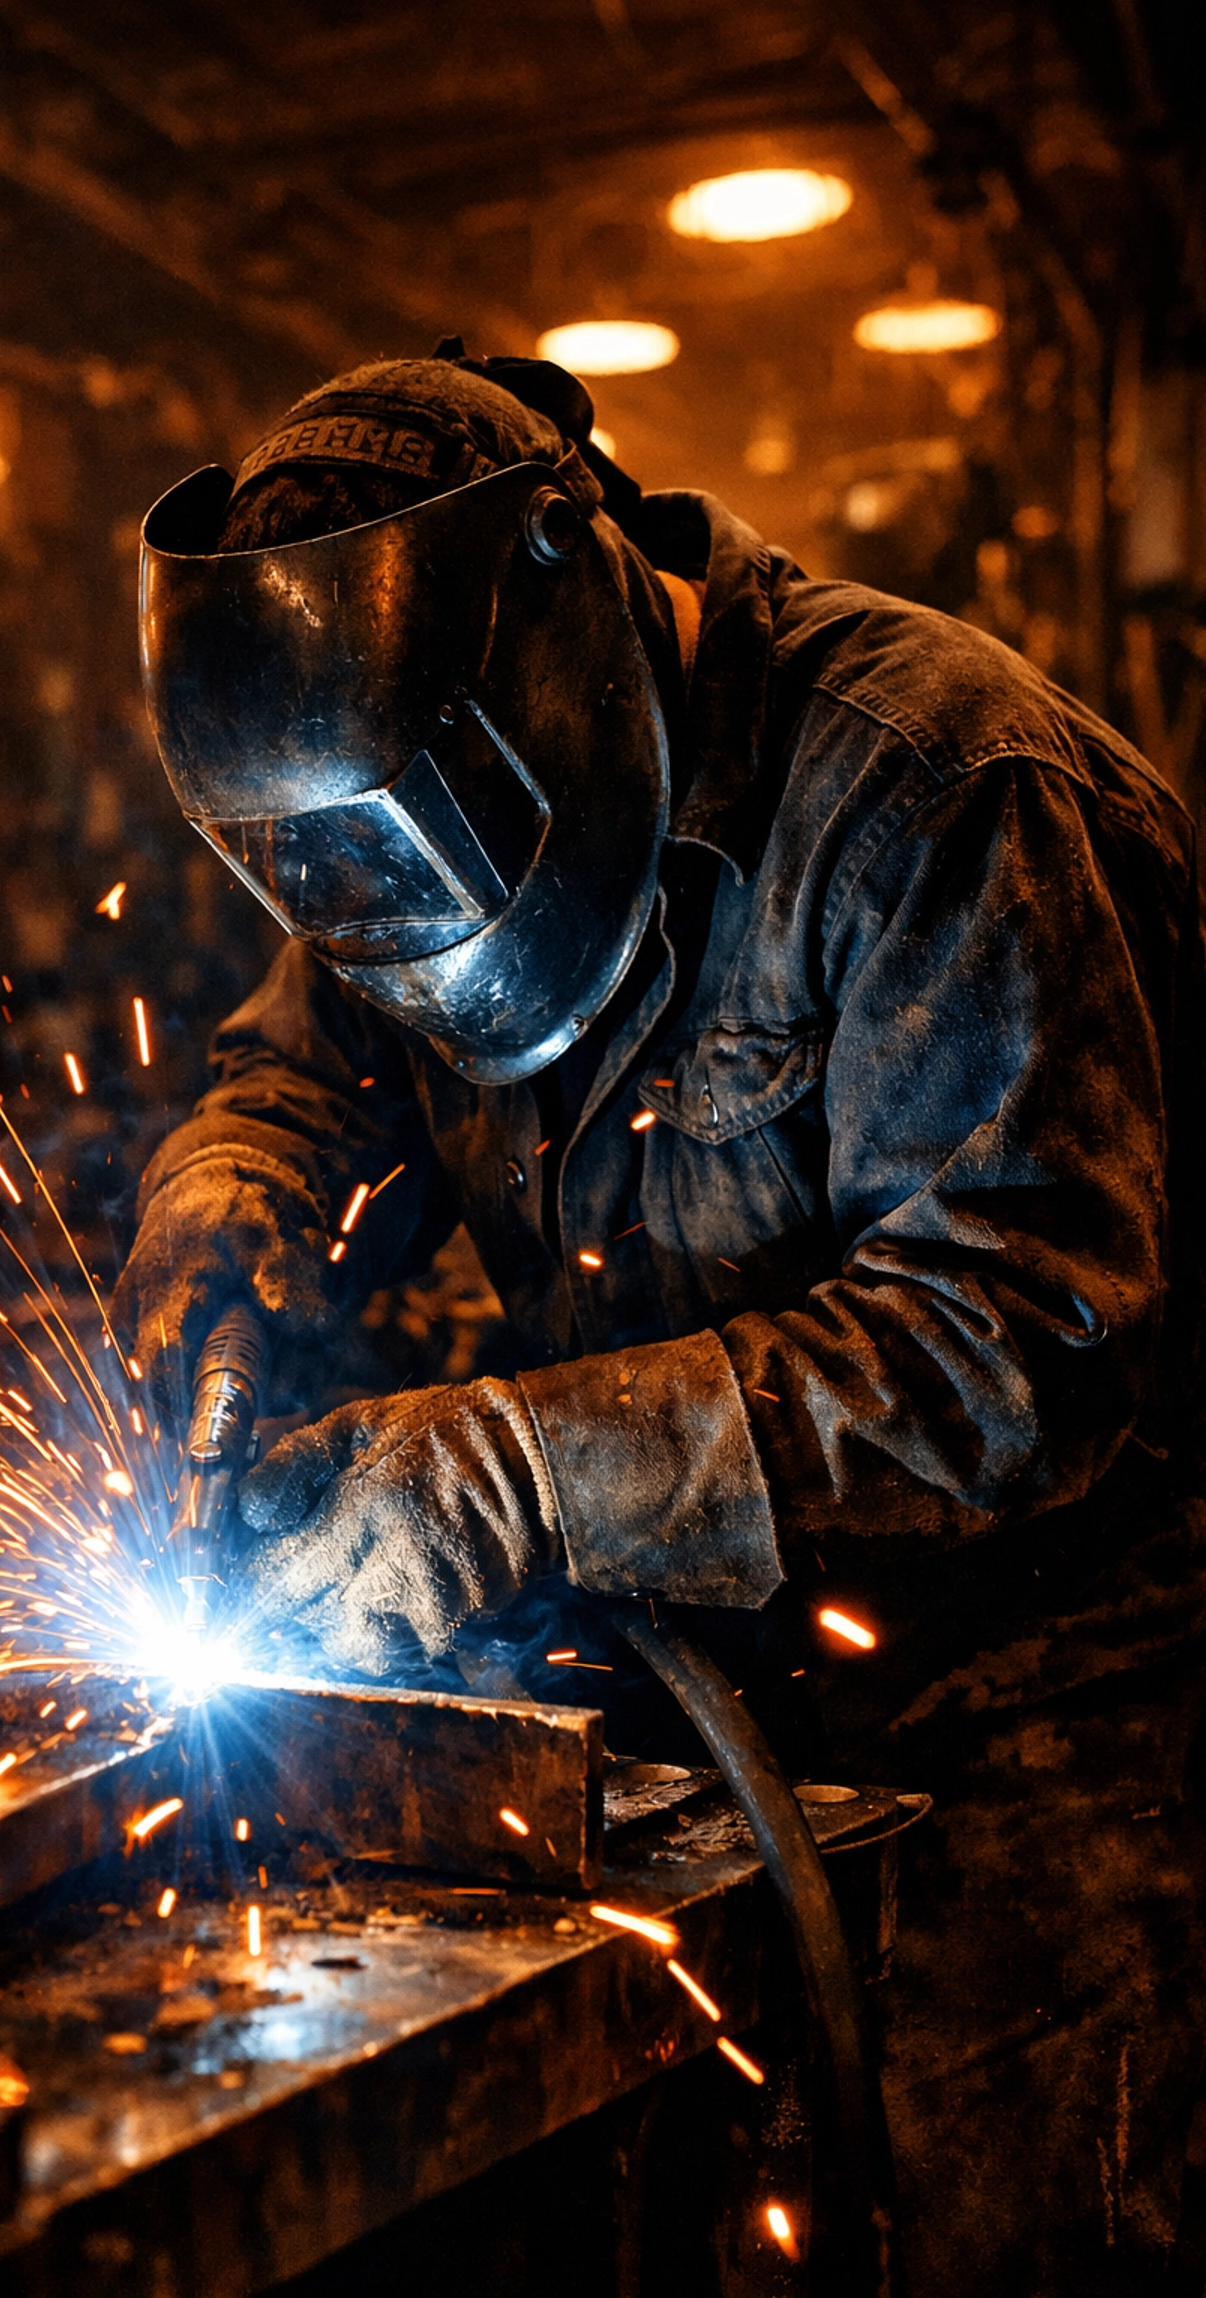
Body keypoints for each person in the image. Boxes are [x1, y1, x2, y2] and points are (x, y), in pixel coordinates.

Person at [115, 344, 1206, 2294]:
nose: (395, 904)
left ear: (572, 601)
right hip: (709, 1709)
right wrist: (227, 1224)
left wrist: (534, 1472)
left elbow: (1025, 1348)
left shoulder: (941, 795)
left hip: (1051, 1732)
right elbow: (298, 1079)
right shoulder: (398, 807)